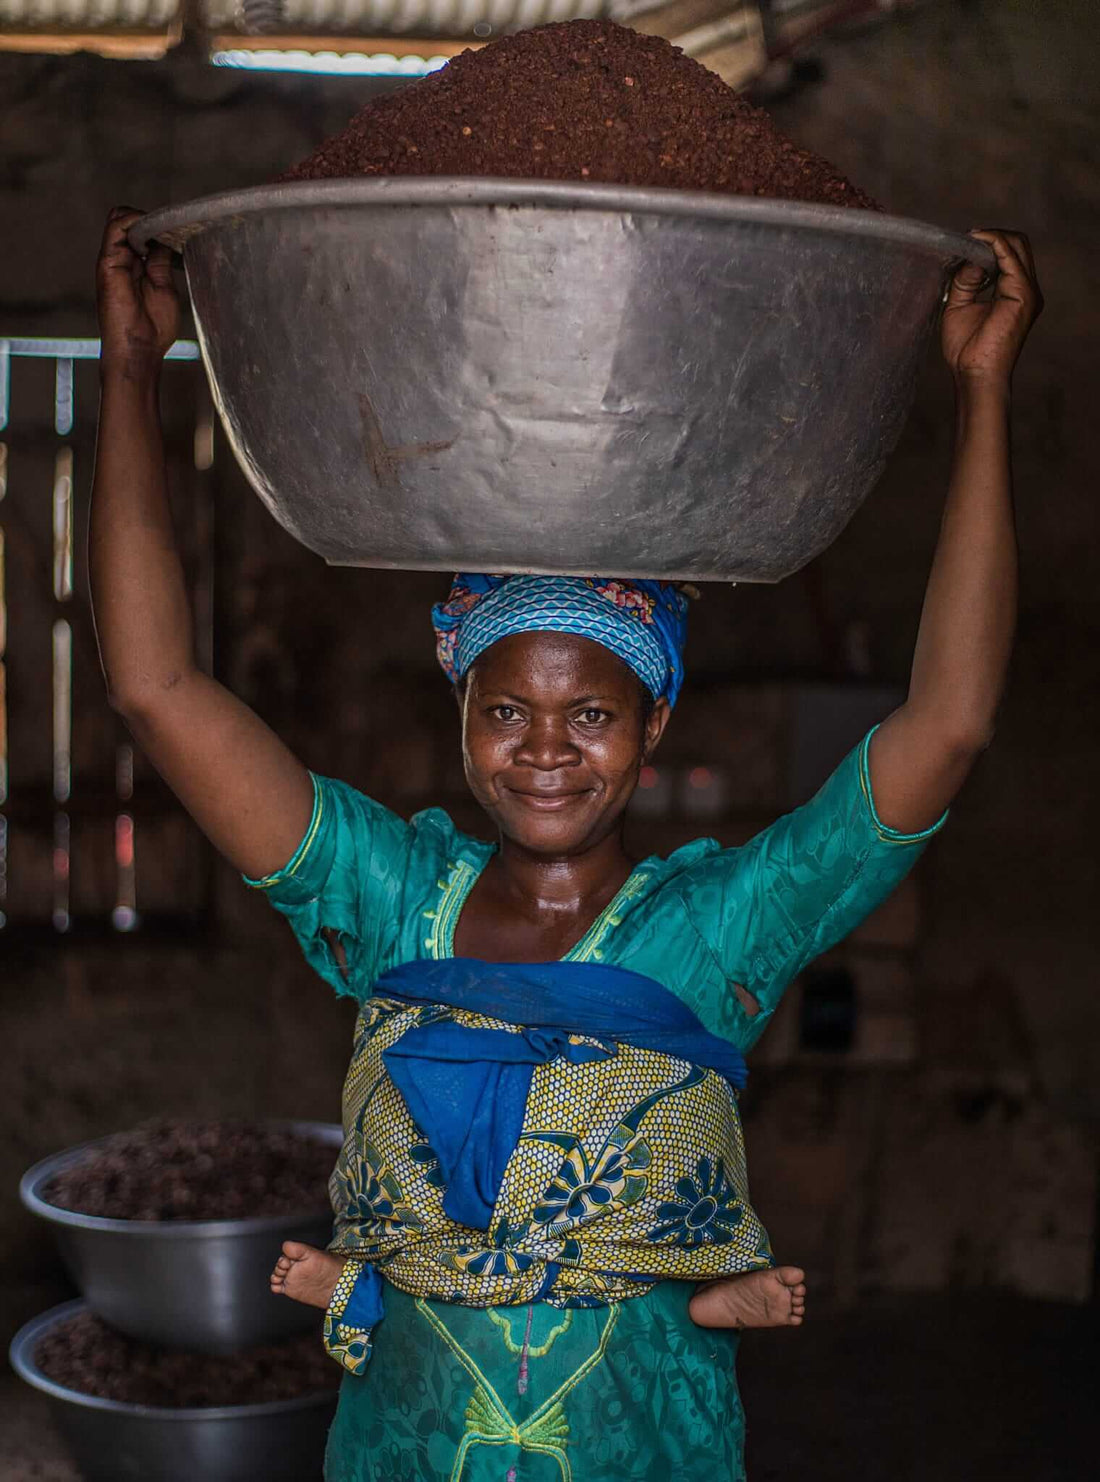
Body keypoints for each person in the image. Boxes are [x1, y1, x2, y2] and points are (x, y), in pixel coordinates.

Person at [92, 206, 1040, 1482]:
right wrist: (131, 370)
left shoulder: (717, 930)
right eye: (506, 713)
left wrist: (981, 391)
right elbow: (156, 688)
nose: (545, 751)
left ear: (652, 727)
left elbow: (949, 722)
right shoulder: (388, 899)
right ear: (462, 718)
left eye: (589, 714)